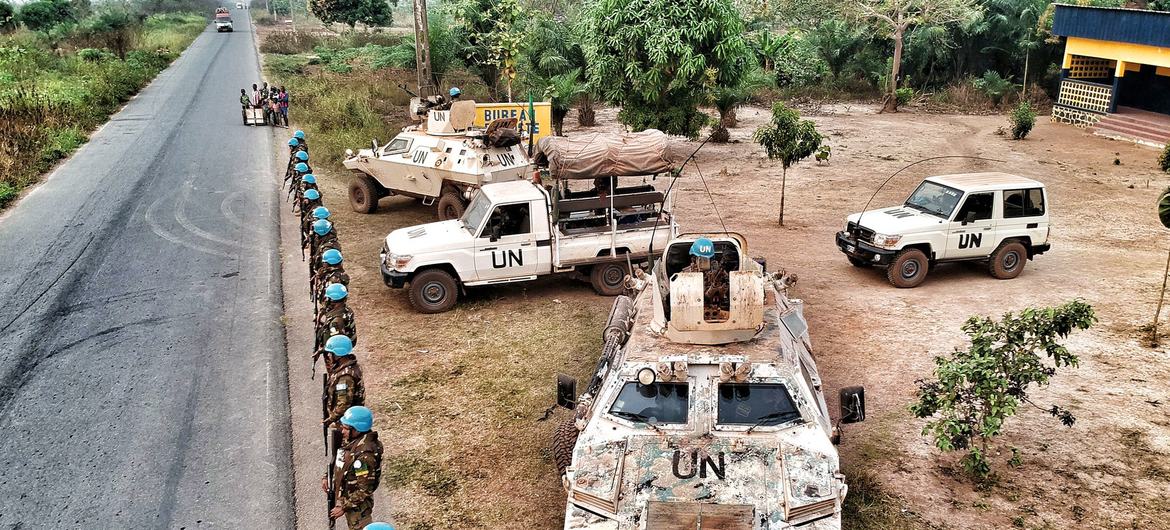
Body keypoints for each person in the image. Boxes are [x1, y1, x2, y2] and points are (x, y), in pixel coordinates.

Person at [321, 406, 383, 530]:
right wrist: (327, 476)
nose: (342, 431)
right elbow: (340, 458)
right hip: (348, 496)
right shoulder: (351, 440)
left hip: (358, 507)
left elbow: (364, 490)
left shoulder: (365, 456)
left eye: (346, 428)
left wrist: (343, 507)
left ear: (357, 429)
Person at [679, 237, 730, 320]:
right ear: (694, 258)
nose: (703, 262)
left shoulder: (719, 273)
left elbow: (729, 290)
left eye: (706, 259)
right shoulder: (685, 274)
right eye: (701, 259)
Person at [321, 335, 364, 426]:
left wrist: (331, 419)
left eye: (331, 353)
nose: (329, 355)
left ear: (338, 355)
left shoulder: (345, 377)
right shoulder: (351, 366)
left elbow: (343, 404)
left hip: (345, 422)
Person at [316, 282, 357, 351]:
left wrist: (322, 350)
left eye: (328, 298)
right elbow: (326, 309)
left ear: (331, 300)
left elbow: (338, 342)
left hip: (342, 346)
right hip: (349, 339)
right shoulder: (345, 309)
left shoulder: (337, 321)